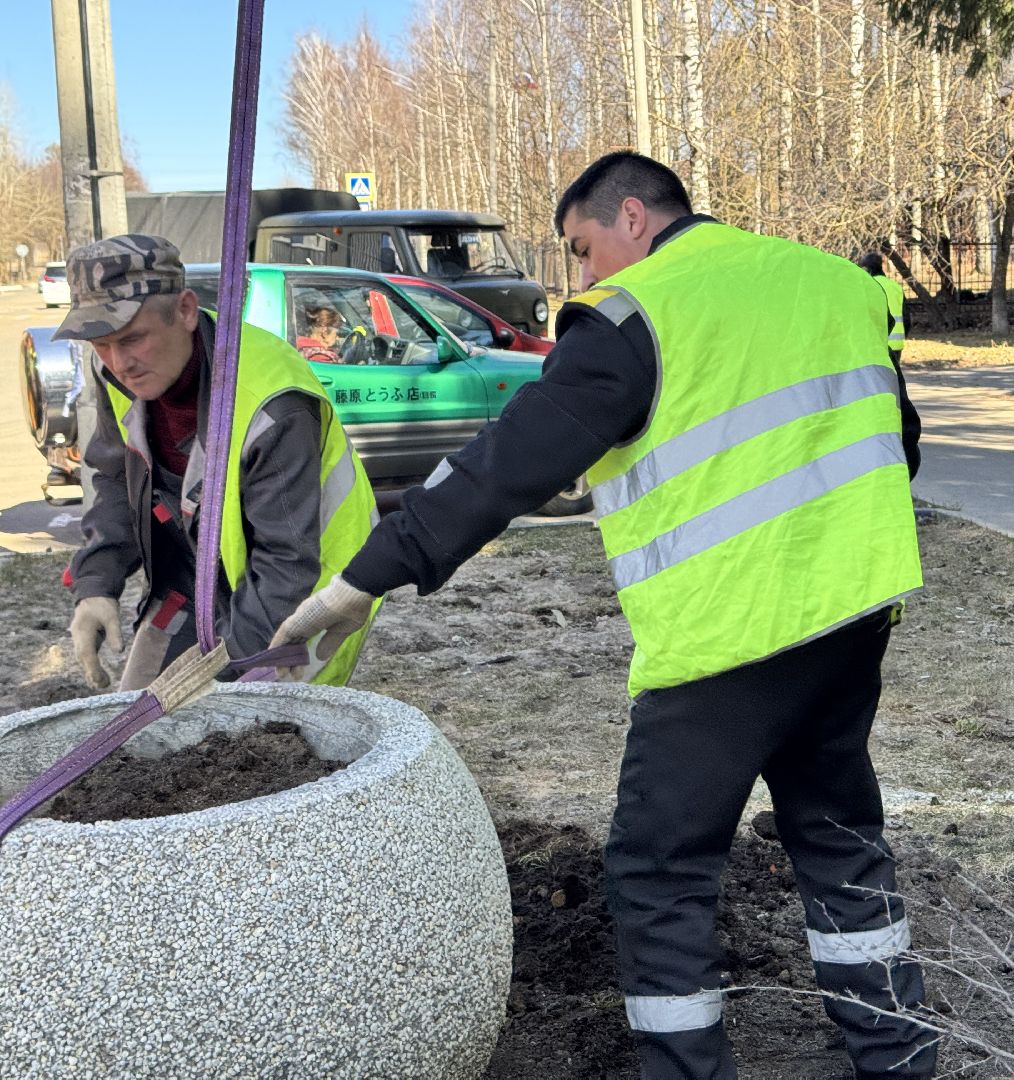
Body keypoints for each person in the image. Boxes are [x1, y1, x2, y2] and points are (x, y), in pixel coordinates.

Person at [271, 152, 935, 1080]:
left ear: (632, 217)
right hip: (852, 617)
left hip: (727, 641)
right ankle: (897, 1056)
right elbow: (897, 443)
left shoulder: (635, 314)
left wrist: (360, 581)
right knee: (837, 836)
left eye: (583, 250)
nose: (581, 277)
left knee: (659, 873)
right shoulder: (831, 283)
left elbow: (506, 463)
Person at [58, 234, 380, 692]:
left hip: (312, 592)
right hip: (198, 576)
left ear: (186, 310)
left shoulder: (270, 398)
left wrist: (220, 678)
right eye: (101, 344)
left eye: (133, 338)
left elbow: (285, 563)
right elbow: (114, 478)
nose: (119, 362)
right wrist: (95, 583)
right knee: (139, 723)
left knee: (268, 739)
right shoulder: (114, 368)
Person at [858, 250, 907, 357]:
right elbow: (906, 317)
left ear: (867, 269)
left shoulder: (868, 286)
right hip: (896, 344)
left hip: (876, 344)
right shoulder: (896, 287)